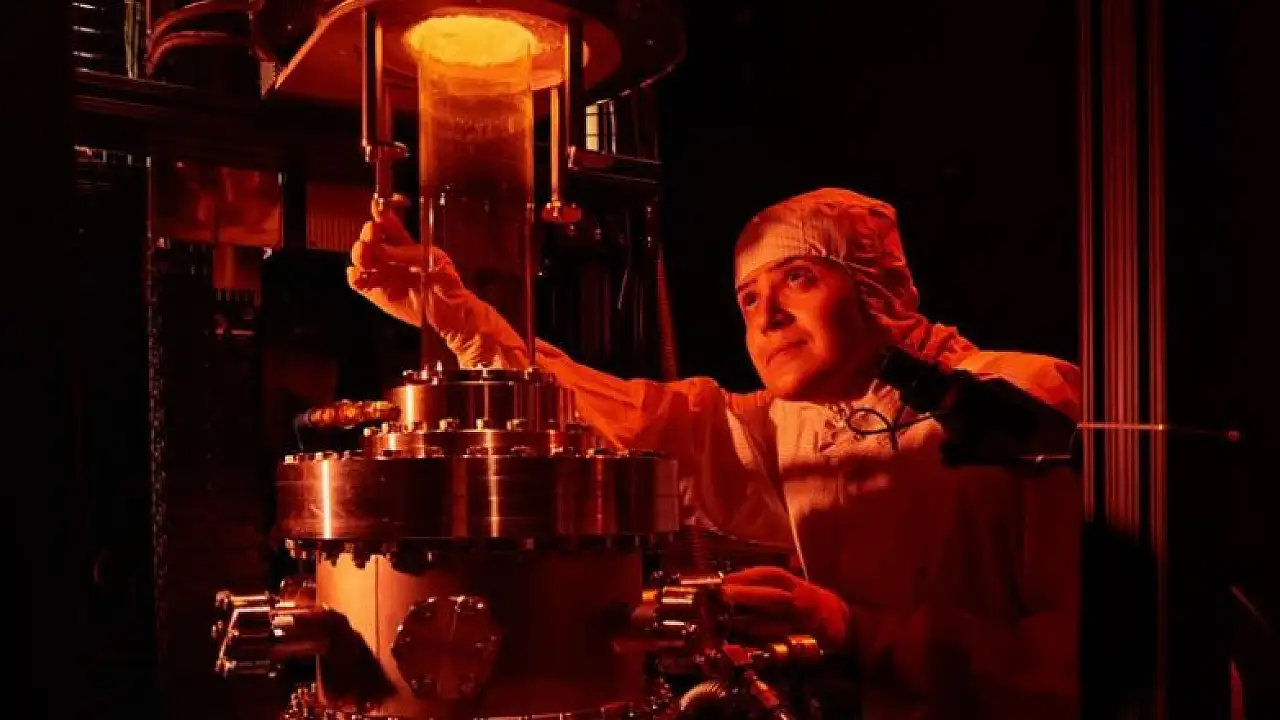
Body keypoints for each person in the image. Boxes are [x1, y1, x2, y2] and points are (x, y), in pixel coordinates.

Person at [348, 188, 1082, 720]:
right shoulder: (797, 426)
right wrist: (456, 316)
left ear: (874, 284)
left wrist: (847, 627)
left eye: (798, 277)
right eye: (748, 299)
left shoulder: (1023, 399)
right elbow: (619, 414)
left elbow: (1074, 665)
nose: (769, 317)